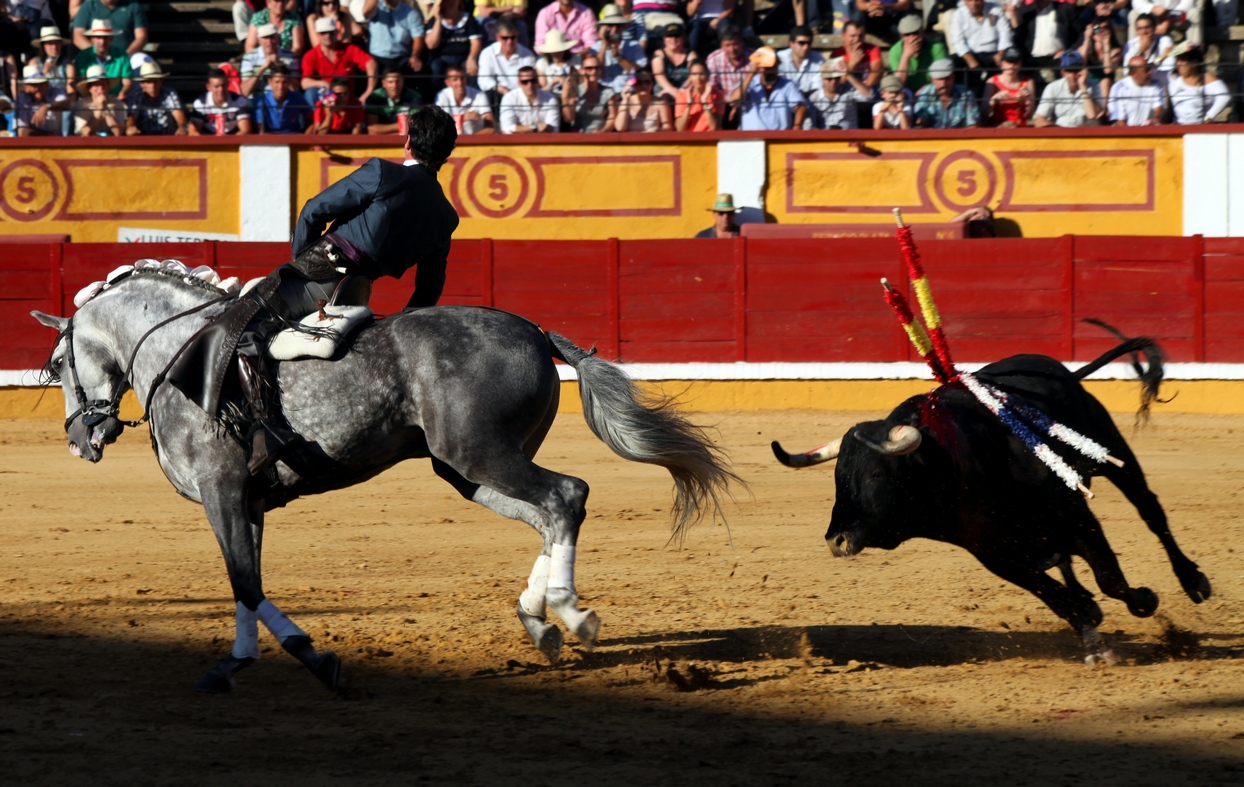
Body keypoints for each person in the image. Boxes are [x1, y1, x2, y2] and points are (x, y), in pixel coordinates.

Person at [170, 106, 461, 474]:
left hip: (318, 272)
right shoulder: (445, 215)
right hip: (358, 292)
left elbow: (313, 210)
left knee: (239, 324)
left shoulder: (382, 173)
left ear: (407, 143)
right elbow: (429, 285)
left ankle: (267, 428)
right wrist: (406, 321)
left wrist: (296, 268)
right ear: (446, 154)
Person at [301, 15, 376, 107]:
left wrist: (368, 91)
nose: (327, 36)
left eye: (331, 32)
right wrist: (323, 83)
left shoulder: (348, 49)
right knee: (310, 93)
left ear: (337, 33)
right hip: (326, 102)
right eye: (323, 33)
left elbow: (370, 63)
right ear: (317, 35)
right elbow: (304, 83)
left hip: (348, 100)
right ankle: (314, 120)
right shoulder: (311, 55)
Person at [733, 47, 807, 130]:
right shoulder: (749, 84)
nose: (771, 71)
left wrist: (797, 126)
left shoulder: (787, 85)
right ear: (759, 68)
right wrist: (750, 75)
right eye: (767, 68)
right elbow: (734, 100)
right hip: (751, 139)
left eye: (774, 67)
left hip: (779, 138)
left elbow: (801, 107)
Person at [949, 0, 1013, 94]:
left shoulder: (996, 9)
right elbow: (958, 41)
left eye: (977, 0)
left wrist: (1001, 53)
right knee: (953, 62)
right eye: (970, 0)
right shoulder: (958, 14)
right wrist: (971, 60)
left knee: (1010, 58)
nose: (973, 4)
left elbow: (1005, 33)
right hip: (969, 55)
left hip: (992, 54)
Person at [1032, 50, 1104, 127]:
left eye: (1076, 70)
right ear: (1063, 72)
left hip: (1084, 133)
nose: (1073, 75)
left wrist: (1083, 87)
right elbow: (1039, 121)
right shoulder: (1052, 88)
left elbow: (1093, 116)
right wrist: (1061, 131)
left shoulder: (1094, 86)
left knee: (1094, 123)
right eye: (1069, 71)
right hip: (1060, 133)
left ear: (1083, 70)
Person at [478, 18, 536, 110]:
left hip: (521, 94)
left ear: (518, 36)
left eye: (513, 37)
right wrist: (501, 89)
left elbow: (529, 79)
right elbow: (484, 81)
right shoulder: (487, 53)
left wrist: (513, 94)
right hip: (499, 94)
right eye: (505, 38)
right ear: (497, 37)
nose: (509, 42)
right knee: (488, 95)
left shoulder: (527, 54)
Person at [1166, 42, 1229, 124]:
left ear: (1194, 63)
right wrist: (1161, 58)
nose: (1179, 64)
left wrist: (1208, 117)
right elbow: (1149, 72)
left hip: (1200, 130)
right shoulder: (1172, 78)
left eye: (1183, 60)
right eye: (1178, 60)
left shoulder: (1207, 78)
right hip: (1178, 130)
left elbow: (1225, 97)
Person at [426, 0, 483, 87]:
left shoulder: (468, 19)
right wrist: (438, 20)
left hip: (464, 58)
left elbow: (476, 42)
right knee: (435, 67)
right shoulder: (434, 21)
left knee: (473, 69)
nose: (451, 2)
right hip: (442, 59)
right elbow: (431, 45)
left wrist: (472, 58)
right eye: (447, 1)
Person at [1015, 0, 1077, 80]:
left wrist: (1068, 51)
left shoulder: (1065, 9)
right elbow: (1019, 38)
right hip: (1033, 62)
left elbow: (1081, 34)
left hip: (1058, 60)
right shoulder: (1024, 11)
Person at [706, 24, 752, 128]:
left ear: (742, 43)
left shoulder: (753, 57)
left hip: (748, 102)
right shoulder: (713, 59)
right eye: (727, 45)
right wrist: (731, 100)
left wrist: (738, 103)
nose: (732, 49)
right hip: (723, 103)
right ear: (721, 46)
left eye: (735, 44)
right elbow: (714, 87)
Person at [594, 4, 646, 95]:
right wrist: (604, 45)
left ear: (624, 26)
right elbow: (595, 72)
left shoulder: (634, 46)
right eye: (610, 25)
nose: (614, 29)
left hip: (629, 94)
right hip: (604, 95)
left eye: (618, 25)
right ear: (604, 27)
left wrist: (619, 58)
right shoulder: (596, 47)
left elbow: (638, 72)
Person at [889, 14, 948, 94]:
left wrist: (926, 90)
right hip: (905, 94)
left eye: (916, 33)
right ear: (902, 35)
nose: (912, 38)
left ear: (923, 32)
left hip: (932, 92)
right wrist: (906, 56)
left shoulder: (937, 47)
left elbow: (942, 79)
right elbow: (898, 84)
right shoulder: (895, 50)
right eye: (907, 34)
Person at [126, 60, 188, 135]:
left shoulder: (169, 93)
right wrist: (131, 127)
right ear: (142, 84)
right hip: (142, 138)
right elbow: (132, 117)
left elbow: (178, 114)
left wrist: (182, 127)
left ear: (161, 82)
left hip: (167, 137)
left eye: (155, 81)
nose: (153, 86)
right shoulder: (136, 95)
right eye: (149, 82)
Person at [913, 57, 979, 128]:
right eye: (940, 79)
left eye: (947, 79)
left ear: (953, 78)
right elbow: (920, 124)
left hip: (959, 138)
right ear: (932, 80)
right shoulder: (925, 94)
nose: (943, 83)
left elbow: (973, 125)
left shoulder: (966, 95)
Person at [366, 0, 426, 77]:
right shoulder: (376, 7)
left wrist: (415, 56)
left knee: (417, 67)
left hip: (400, 56)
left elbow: (418, 37)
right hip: (377, 57)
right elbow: (366, 11)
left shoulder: (410, 12)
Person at [74, 18, 132, 97]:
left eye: (105, 37)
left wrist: (122, 94)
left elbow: (127, 82)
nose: (102, 41)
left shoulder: (122, 55)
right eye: (98, 37)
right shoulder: (82, 56)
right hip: (89, 99)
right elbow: (81, 82)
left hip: (115, 99)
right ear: (92, 39)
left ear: (111, 38)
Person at [240, 22, 300, 97]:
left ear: (277, 39)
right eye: (265, 38)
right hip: (257, 100)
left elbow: (295, 88)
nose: (269, 42)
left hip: (284, 99)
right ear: (259, 40)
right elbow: (245, 92)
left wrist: (279, 65)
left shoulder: (290, 56)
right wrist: (262, 68)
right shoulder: (249, 57)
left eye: (272, 37)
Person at [808, 56, 869, 129]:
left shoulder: (849, 90)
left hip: (849, 138)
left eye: (837, 78)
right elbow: (810, 127)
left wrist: (848, 75)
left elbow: (868, 97)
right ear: (822, 79)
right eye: (829, 79)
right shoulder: (814, 98)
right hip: (825, 138)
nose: (833, 82)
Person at [14, 61, 71, 136]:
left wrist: (47, 107)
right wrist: (50, 136)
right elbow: (22, 132)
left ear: (47, 84)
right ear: (25, 88)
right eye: (34, 85)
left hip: (59, 144)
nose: (38, 88)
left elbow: (67, 104)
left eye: (41, 84)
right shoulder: (22, 99)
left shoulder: (56, 92)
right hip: (34, 144)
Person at [191, 67, 254, 134]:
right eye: (216, 86)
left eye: (223, 85)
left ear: (228, 84)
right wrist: (212, 142)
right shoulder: (200, 103)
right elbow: (193, 132)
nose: (221, 90)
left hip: (233, 139)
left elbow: (245, 131)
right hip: (208, 139)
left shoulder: (239, 101)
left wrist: (228, 142)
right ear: (208, 87)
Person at [982, 47, 1034, 127]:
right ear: (1002, 64)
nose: (1012, 65)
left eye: (1016, 63)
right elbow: (983, 116)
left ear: (1020, 65)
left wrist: (1028, 100)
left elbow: (1030, 116)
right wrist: (993, 100)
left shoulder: (1028, 81)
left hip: (1020, 128)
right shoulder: (992, 81)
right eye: (1009, 62)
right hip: (997, 128)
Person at [253, 62, 312, 132]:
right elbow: (260, 131)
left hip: (295, 140)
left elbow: (312, 118)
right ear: (270, 82)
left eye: (284, 82)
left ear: (289, 82)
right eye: (277, 82)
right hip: (271, 141)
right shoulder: (261, 100)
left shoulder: (297, 97)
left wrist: (306, 138)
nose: (280, 87)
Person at [72, 0, 146, 56]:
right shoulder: (88, 6)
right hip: (94, 56)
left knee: (142, 60)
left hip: (128, 55)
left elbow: (141, 37)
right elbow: (78, 36)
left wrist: (125, 56)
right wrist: (96, 55)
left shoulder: (133, 6)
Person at [436, 63, 495, 132]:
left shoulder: (479, 95)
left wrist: (471, 141)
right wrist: (463, 118)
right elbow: (439, 126)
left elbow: (491, 127)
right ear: (447, 83)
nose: (460, 83)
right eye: (455, 79)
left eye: (462, 78)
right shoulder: (442, 95)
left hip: (475, 140)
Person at [500, 63, 559, 132]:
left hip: (542, 142)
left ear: (537, 81)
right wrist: (534, 127)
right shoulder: (509, 98)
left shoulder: (550, 99)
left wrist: (520, 130)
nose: (530, 85)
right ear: (519, 83)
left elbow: (553, 130)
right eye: (525, 82)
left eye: (533, 81)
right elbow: (506, 129)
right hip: (516, 142)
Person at [1108, 56, 1165, 125]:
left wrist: (1155, 119)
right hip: (1125, 133)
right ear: (1133, 73)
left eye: (1149, 68)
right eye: (1146, 70)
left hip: (1149, 131)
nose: (1150, 72)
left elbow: (1159, 107)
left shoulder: (1156, 85)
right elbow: (1120, 121)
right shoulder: (1119, 88)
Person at [72, 62, 124, 135]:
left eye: (103, 84)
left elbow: (118, 133)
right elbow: (85, 132)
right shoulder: (82, 105)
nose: (101, 88)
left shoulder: (118, 104)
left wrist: (106, 110)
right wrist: (99, 109)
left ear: (108, 87)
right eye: (96, 84)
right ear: (89, 88)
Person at [614, 65, 672, 131]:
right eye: (639, 82)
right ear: (634, 84)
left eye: (647, 82)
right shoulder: (627, 102)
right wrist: (625, 100)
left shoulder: (660, 103)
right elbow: (620, 128)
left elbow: (668, 127)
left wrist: (655, 133)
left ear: (652, 84)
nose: (644, 85)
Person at [673, 60, 723, 131]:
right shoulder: (682, 95)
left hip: (711, 138)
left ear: (707, 75)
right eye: (694, 74)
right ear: (690, 77)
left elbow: (714, 126)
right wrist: (689, 106)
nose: (698, 78)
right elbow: (680, 128)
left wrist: (705, 103)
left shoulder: (718, 94)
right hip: (691, 138)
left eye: (702, 74)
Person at [777, 24, 824, 97]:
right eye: (801, 43)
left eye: (809, 43)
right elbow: (778, 86)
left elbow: (818, 87)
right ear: (791, 44)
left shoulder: (818, 58)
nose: (806, 47)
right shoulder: (780, 58)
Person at [651, 21, 695, 97]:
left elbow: (693, 75)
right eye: (669, 36)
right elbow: (659, 75)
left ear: (684, 38)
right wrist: (673, 91)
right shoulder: (659, 54)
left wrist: (682, 91)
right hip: (664, 92)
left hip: (686, 92)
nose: (673, 39)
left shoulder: (691, 55)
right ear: (664, 39)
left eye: (677, 36)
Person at [535, 28, 580, 95]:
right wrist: (553, 82)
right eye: (554, 50)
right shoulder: (542, 63)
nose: (557, 53)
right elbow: (542, 92)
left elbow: (581, 82)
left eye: (559, 50)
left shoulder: (576, 60)